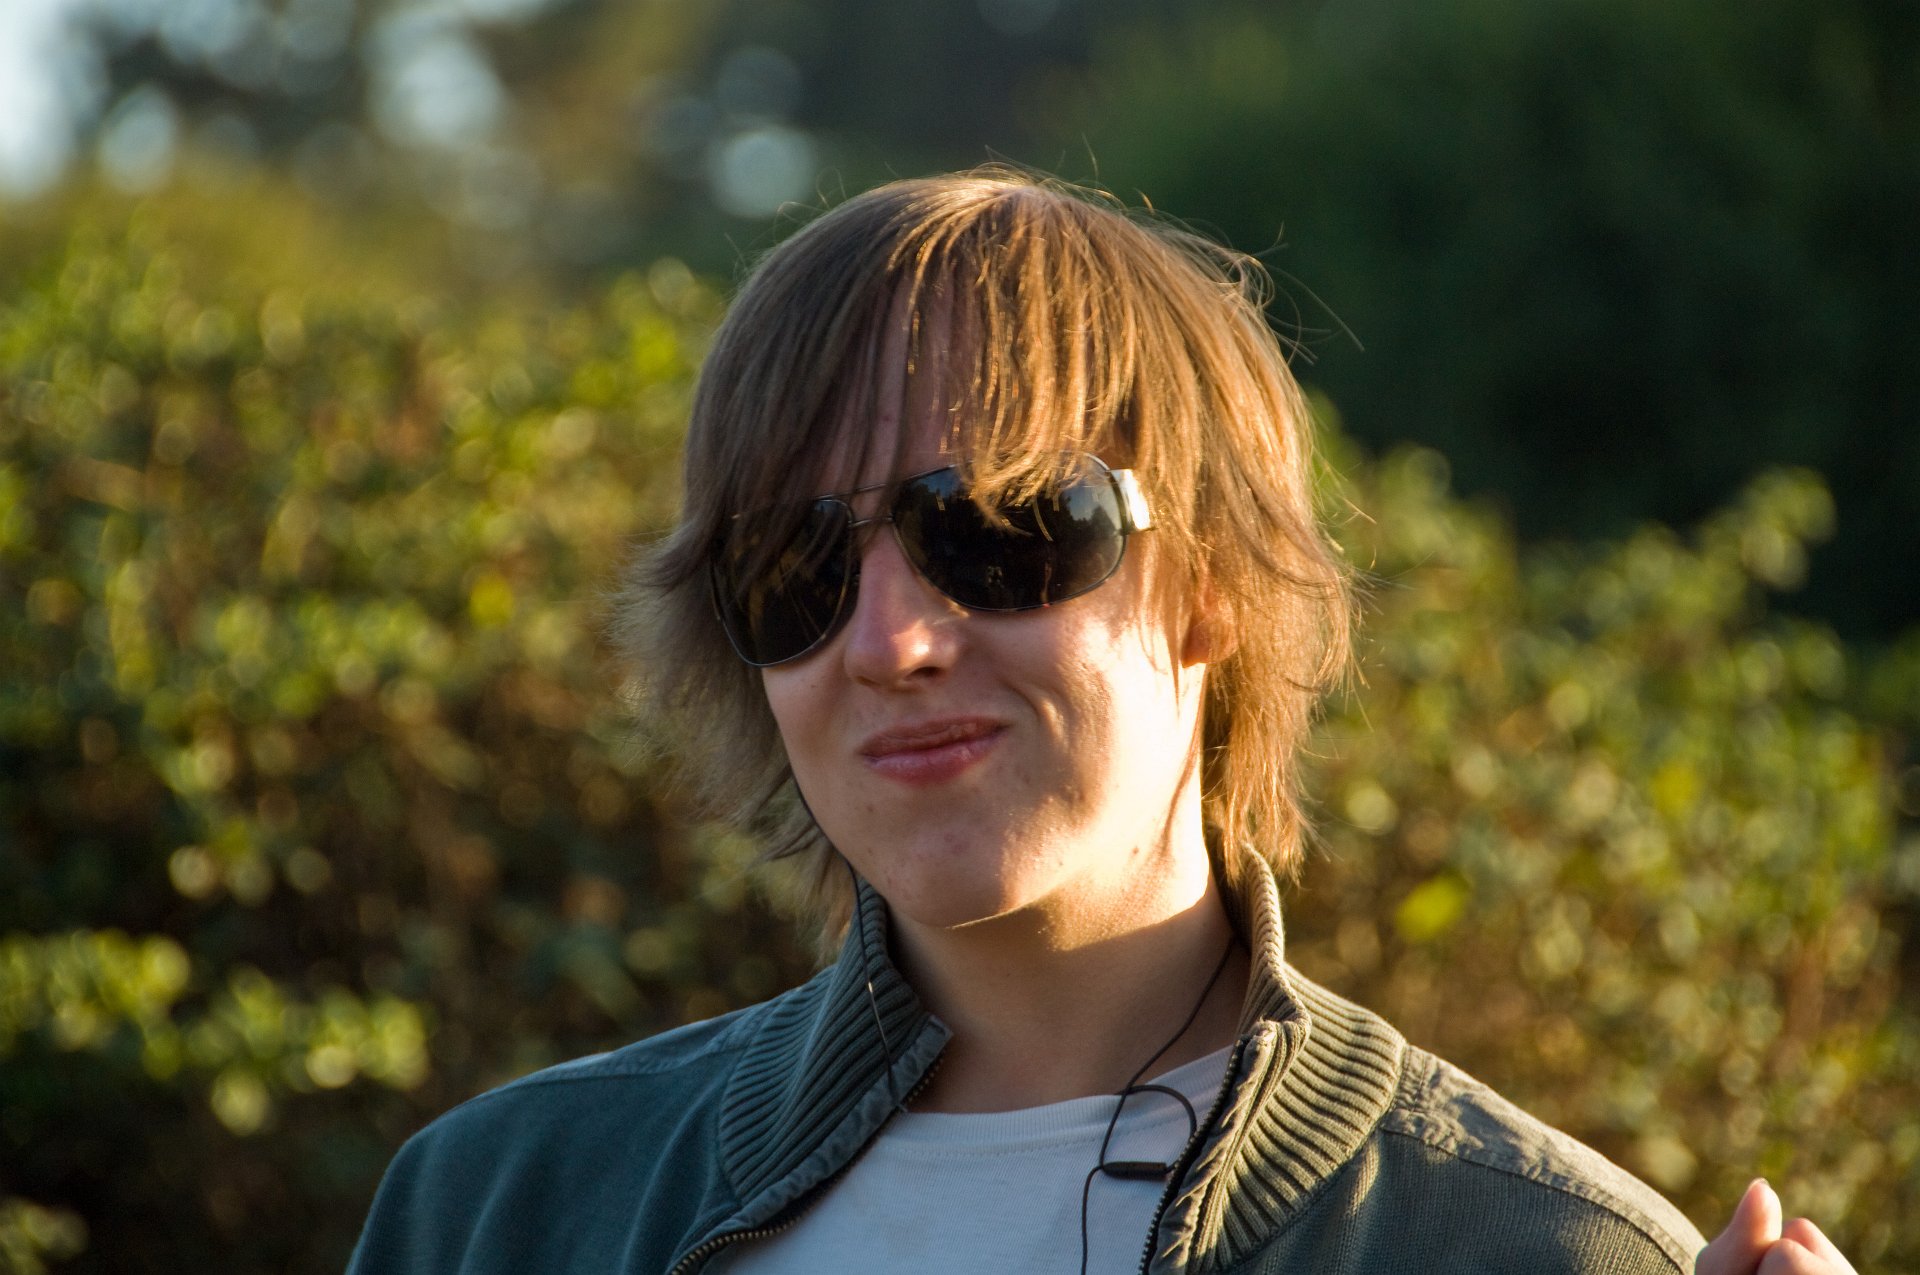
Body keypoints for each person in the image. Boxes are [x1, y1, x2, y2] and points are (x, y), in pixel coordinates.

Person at [346, 171, 1857, 1273]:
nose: (888, 642)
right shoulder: (500, 1211)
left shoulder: (1528, 1252)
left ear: (1214, 584)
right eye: (792, 570)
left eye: (999, 530)